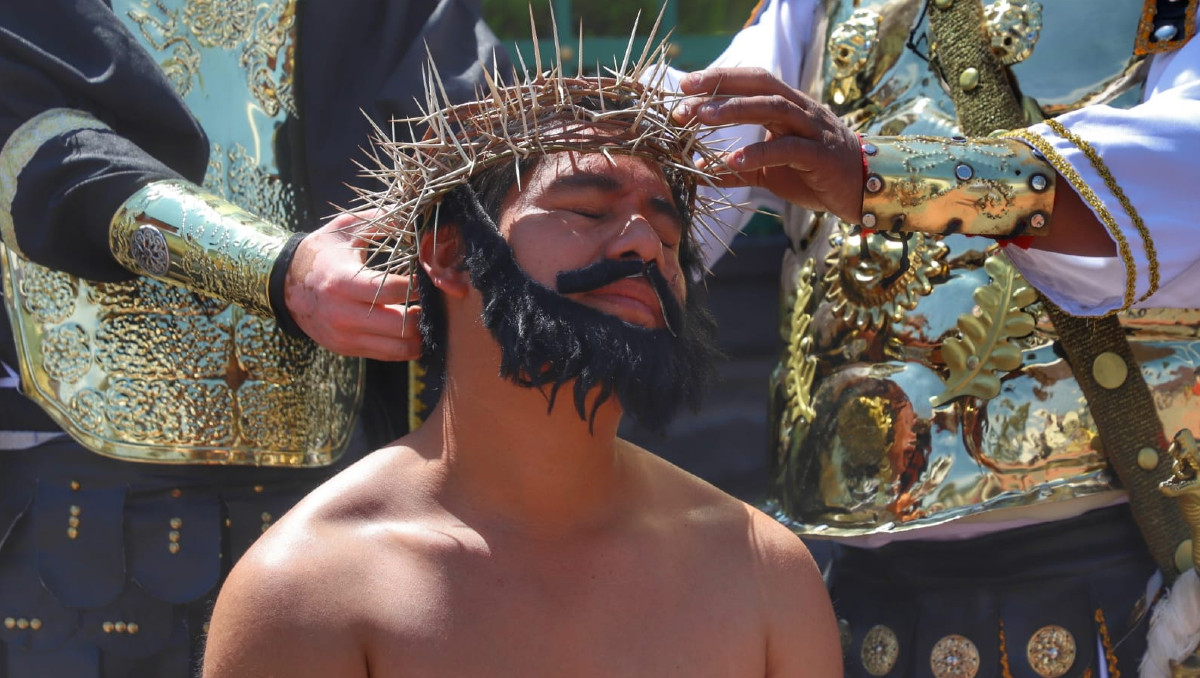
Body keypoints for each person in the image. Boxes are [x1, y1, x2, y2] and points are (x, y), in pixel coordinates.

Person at [201, 50, 843, 678]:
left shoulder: (763, 573)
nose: (645, 243)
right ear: (450, 255)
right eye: (587, 211)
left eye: (668, 234)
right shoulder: (310, 590)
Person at [664, 0, 1200, 676]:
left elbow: (1184, 173)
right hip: (857, 599)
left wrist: (887, 179)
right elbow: (698, 143)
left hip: (1123, 597)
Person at [0, 1, 505, 674]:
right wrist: (281, 272)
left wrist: (628, 133)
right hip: (73, 509)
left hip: (336, 493)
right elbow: (48, 164)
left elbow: (480, 126)